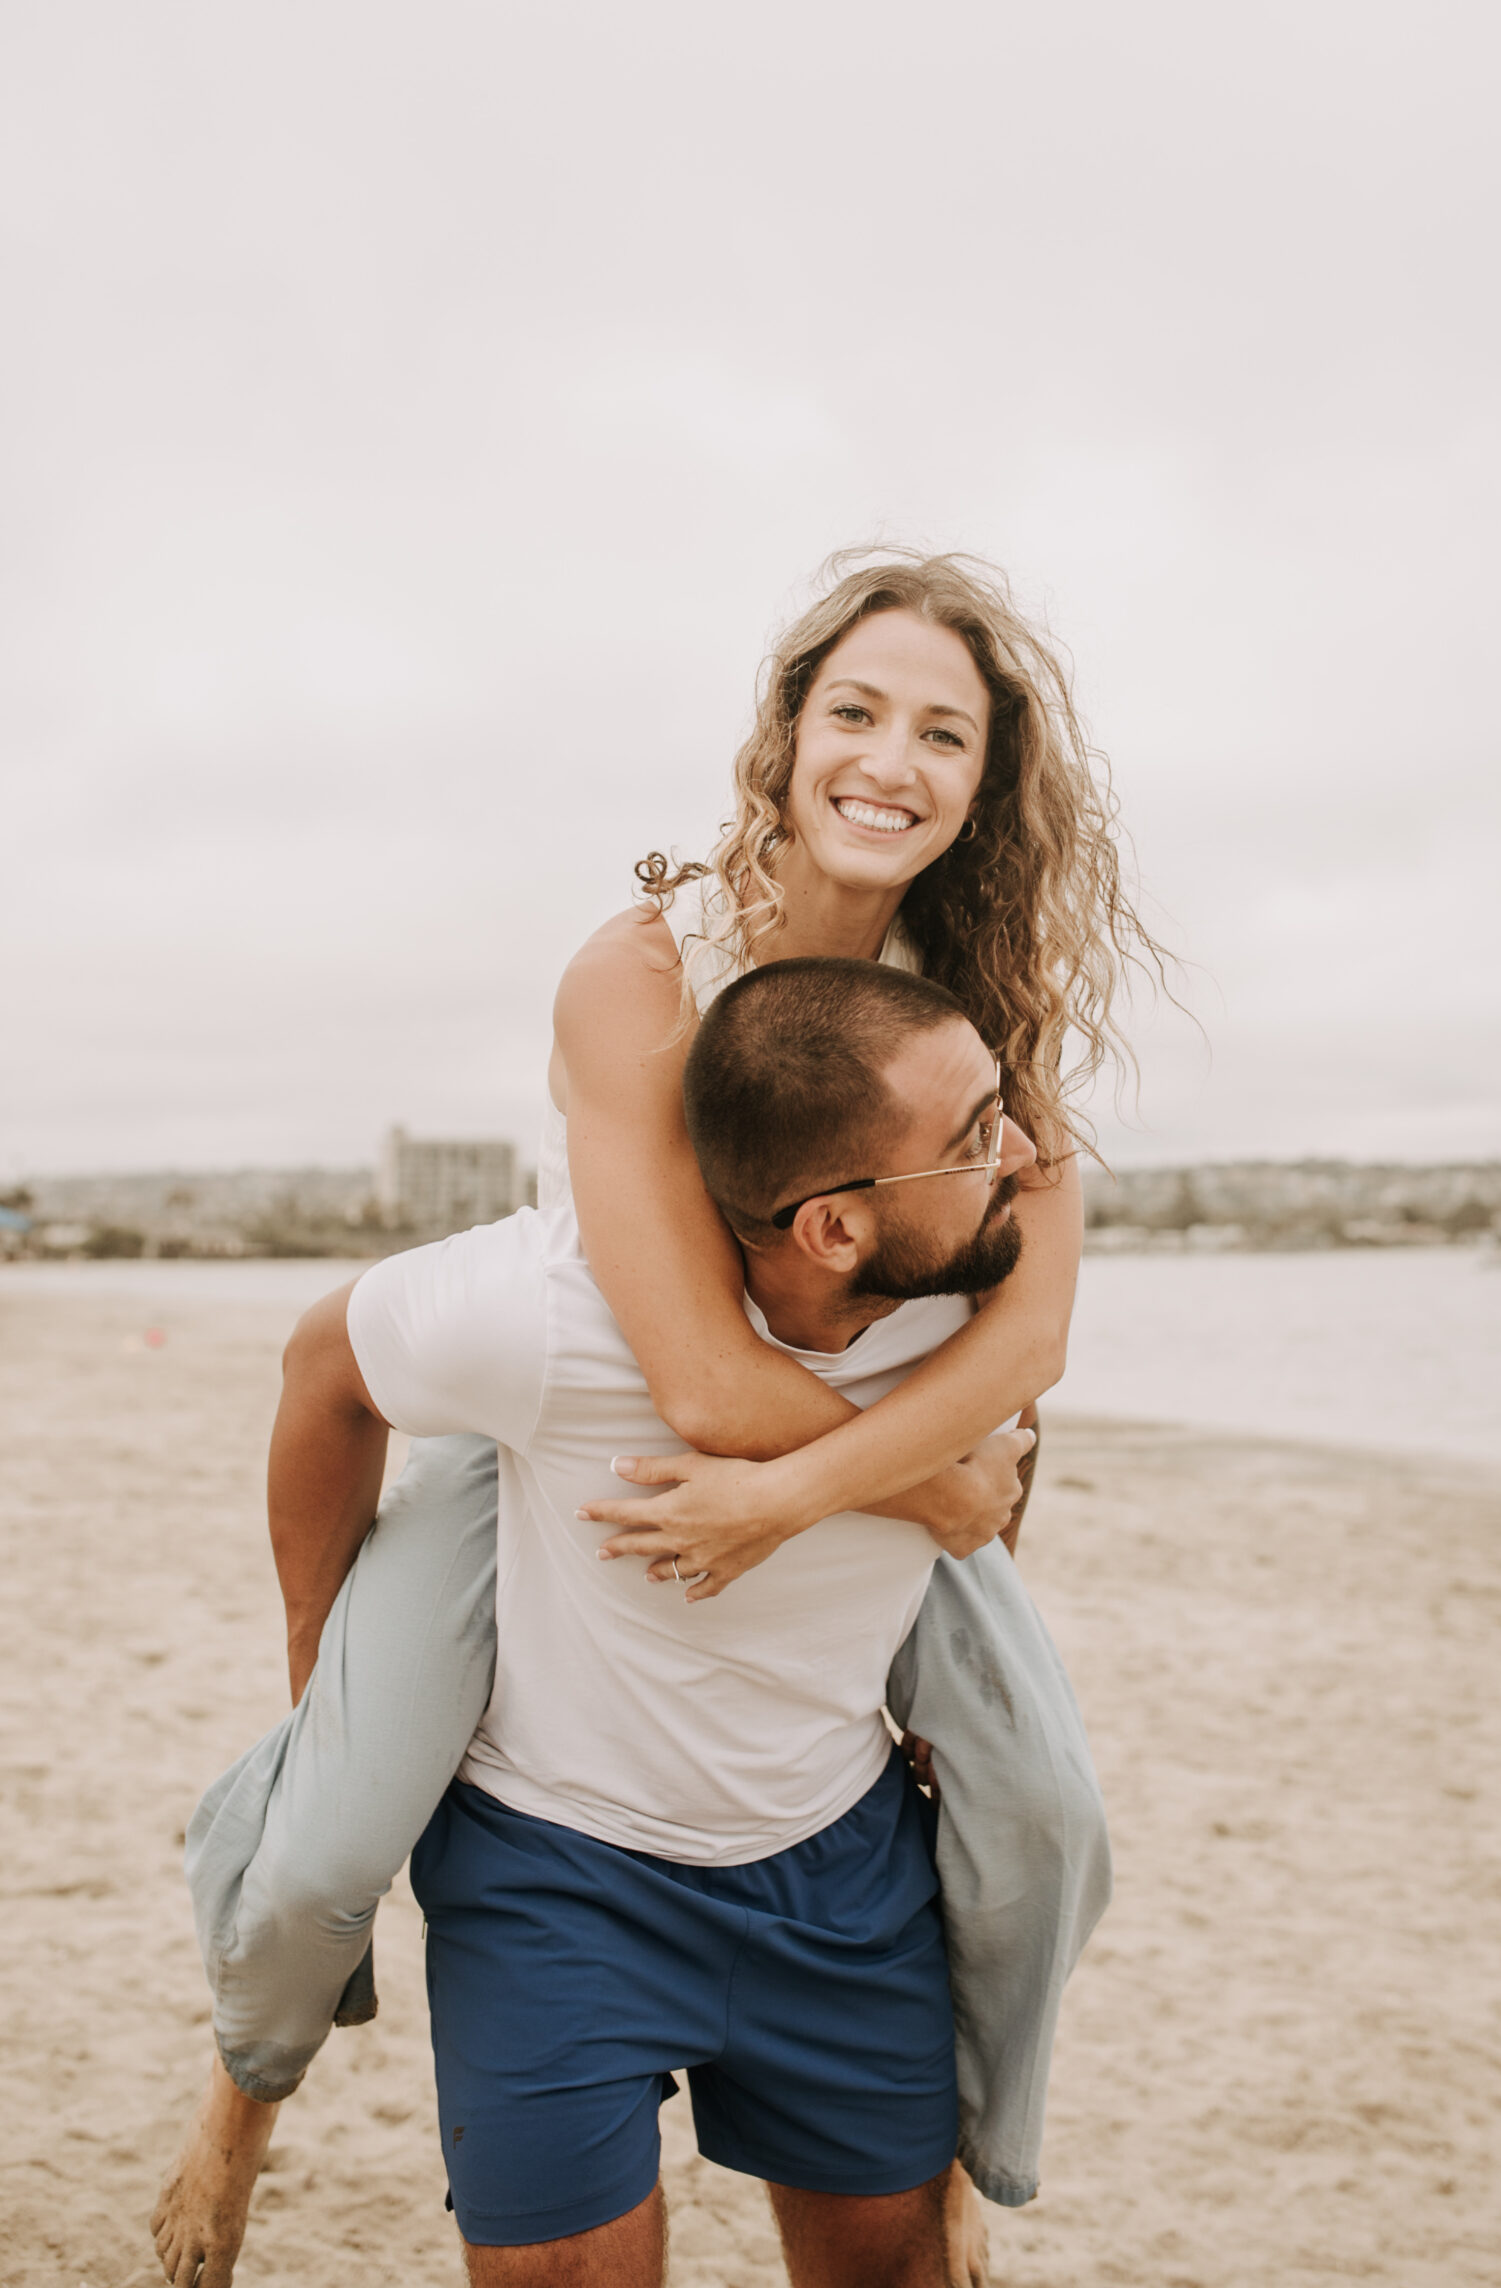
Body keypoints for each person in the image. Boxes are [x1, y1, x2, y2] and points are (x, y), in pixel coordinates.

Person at [153, 552, 1155, 2285]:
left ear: (985, 787)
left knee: (1048, 1811)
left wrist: (843, 1488)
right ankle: (245, 2094)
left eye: (944, 734)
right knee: (328, 1831)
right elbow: (689, 1372)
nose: (890, 761)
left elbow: (1033, 1338)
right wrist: (912, 1490)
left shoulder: (985, 1012)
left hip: (861, 1440)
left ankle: (966, 2173)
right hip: (605, 1403)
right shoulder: (641, 970)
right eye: (854, 711)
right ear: (783, 735)